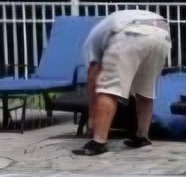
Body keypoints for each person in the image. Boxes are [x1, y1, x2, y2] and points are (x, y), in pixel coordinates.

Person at [73, 8, 173, 156]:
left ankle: (98, 142)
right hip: (162, 32)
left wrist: (92, 122)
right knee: (146, 90)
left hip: (130, 32)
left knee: (107, 90)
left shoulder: (92, 42)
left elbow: (93, 81)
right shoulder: (106, 27)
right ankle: (142, 137)